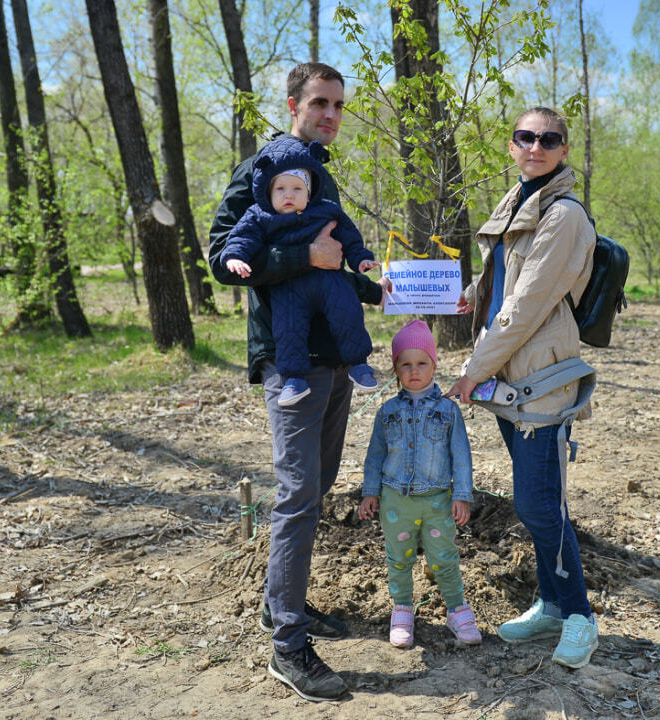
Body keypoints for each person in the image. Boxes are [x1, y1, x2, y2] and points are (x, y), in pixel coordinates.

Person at [207, 62, 388, 704]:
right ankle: (287, 645)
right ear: (293, 105)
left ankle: (279, 604)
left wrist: (387, 290)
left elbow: (338, 260)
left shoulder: (320, 174)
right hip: (292, 364)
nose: (331, 114)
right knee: (297, 495)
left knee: (319, 482)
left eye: (339, 105)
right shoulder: (260, 171)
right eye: (320, 103)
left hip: (335, 357)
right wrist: (297, 257)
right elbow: (221, 259)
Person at [446, 107, 600, 669]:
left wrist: (473, 371)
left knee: (540, 505)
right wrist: (472, 292)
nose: (535, 146)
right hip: (512, 378)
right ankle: (552, 605)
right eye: (525, 137)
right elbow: (507, 275)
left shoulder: (564, 215)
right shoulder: (518, 201)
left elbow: (529, 304)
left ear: (563, 149)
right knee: (535, 503)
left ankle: (580, 616)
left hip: (541, 380)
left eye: (548, 139)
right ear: (511, 145)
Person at [221, 136, 380, 406]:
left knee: (348, 311)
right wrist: (234, 256)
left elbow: (350, 237)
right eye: (280, 188)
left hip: (329, 281)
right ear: (269, 191)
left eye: (297, 188)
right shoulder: (259, 216)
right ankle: (294, 379)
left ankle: (358, 363)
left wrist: (361, 259)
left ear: (309, 192)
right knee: (288, 328)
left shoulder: (327, 210)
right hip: (289, 286)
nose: (288, 195)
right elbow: (241, 237)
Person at [357, 319, 480, 649]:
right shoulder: (387, 412)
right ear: (396, 368)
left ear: (434, 365)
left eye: (422, 363)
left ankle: (456, 609)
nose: (414, 371)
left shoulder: (447, 411)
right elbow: (375, 456)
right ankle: (402, 609)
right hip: (396, 501)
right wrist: (370, 492)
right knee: (399, 557)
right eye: (405, 364)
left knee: (444, 556)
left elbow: (461, 457)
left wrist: (462, 495)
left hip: (438, 501)